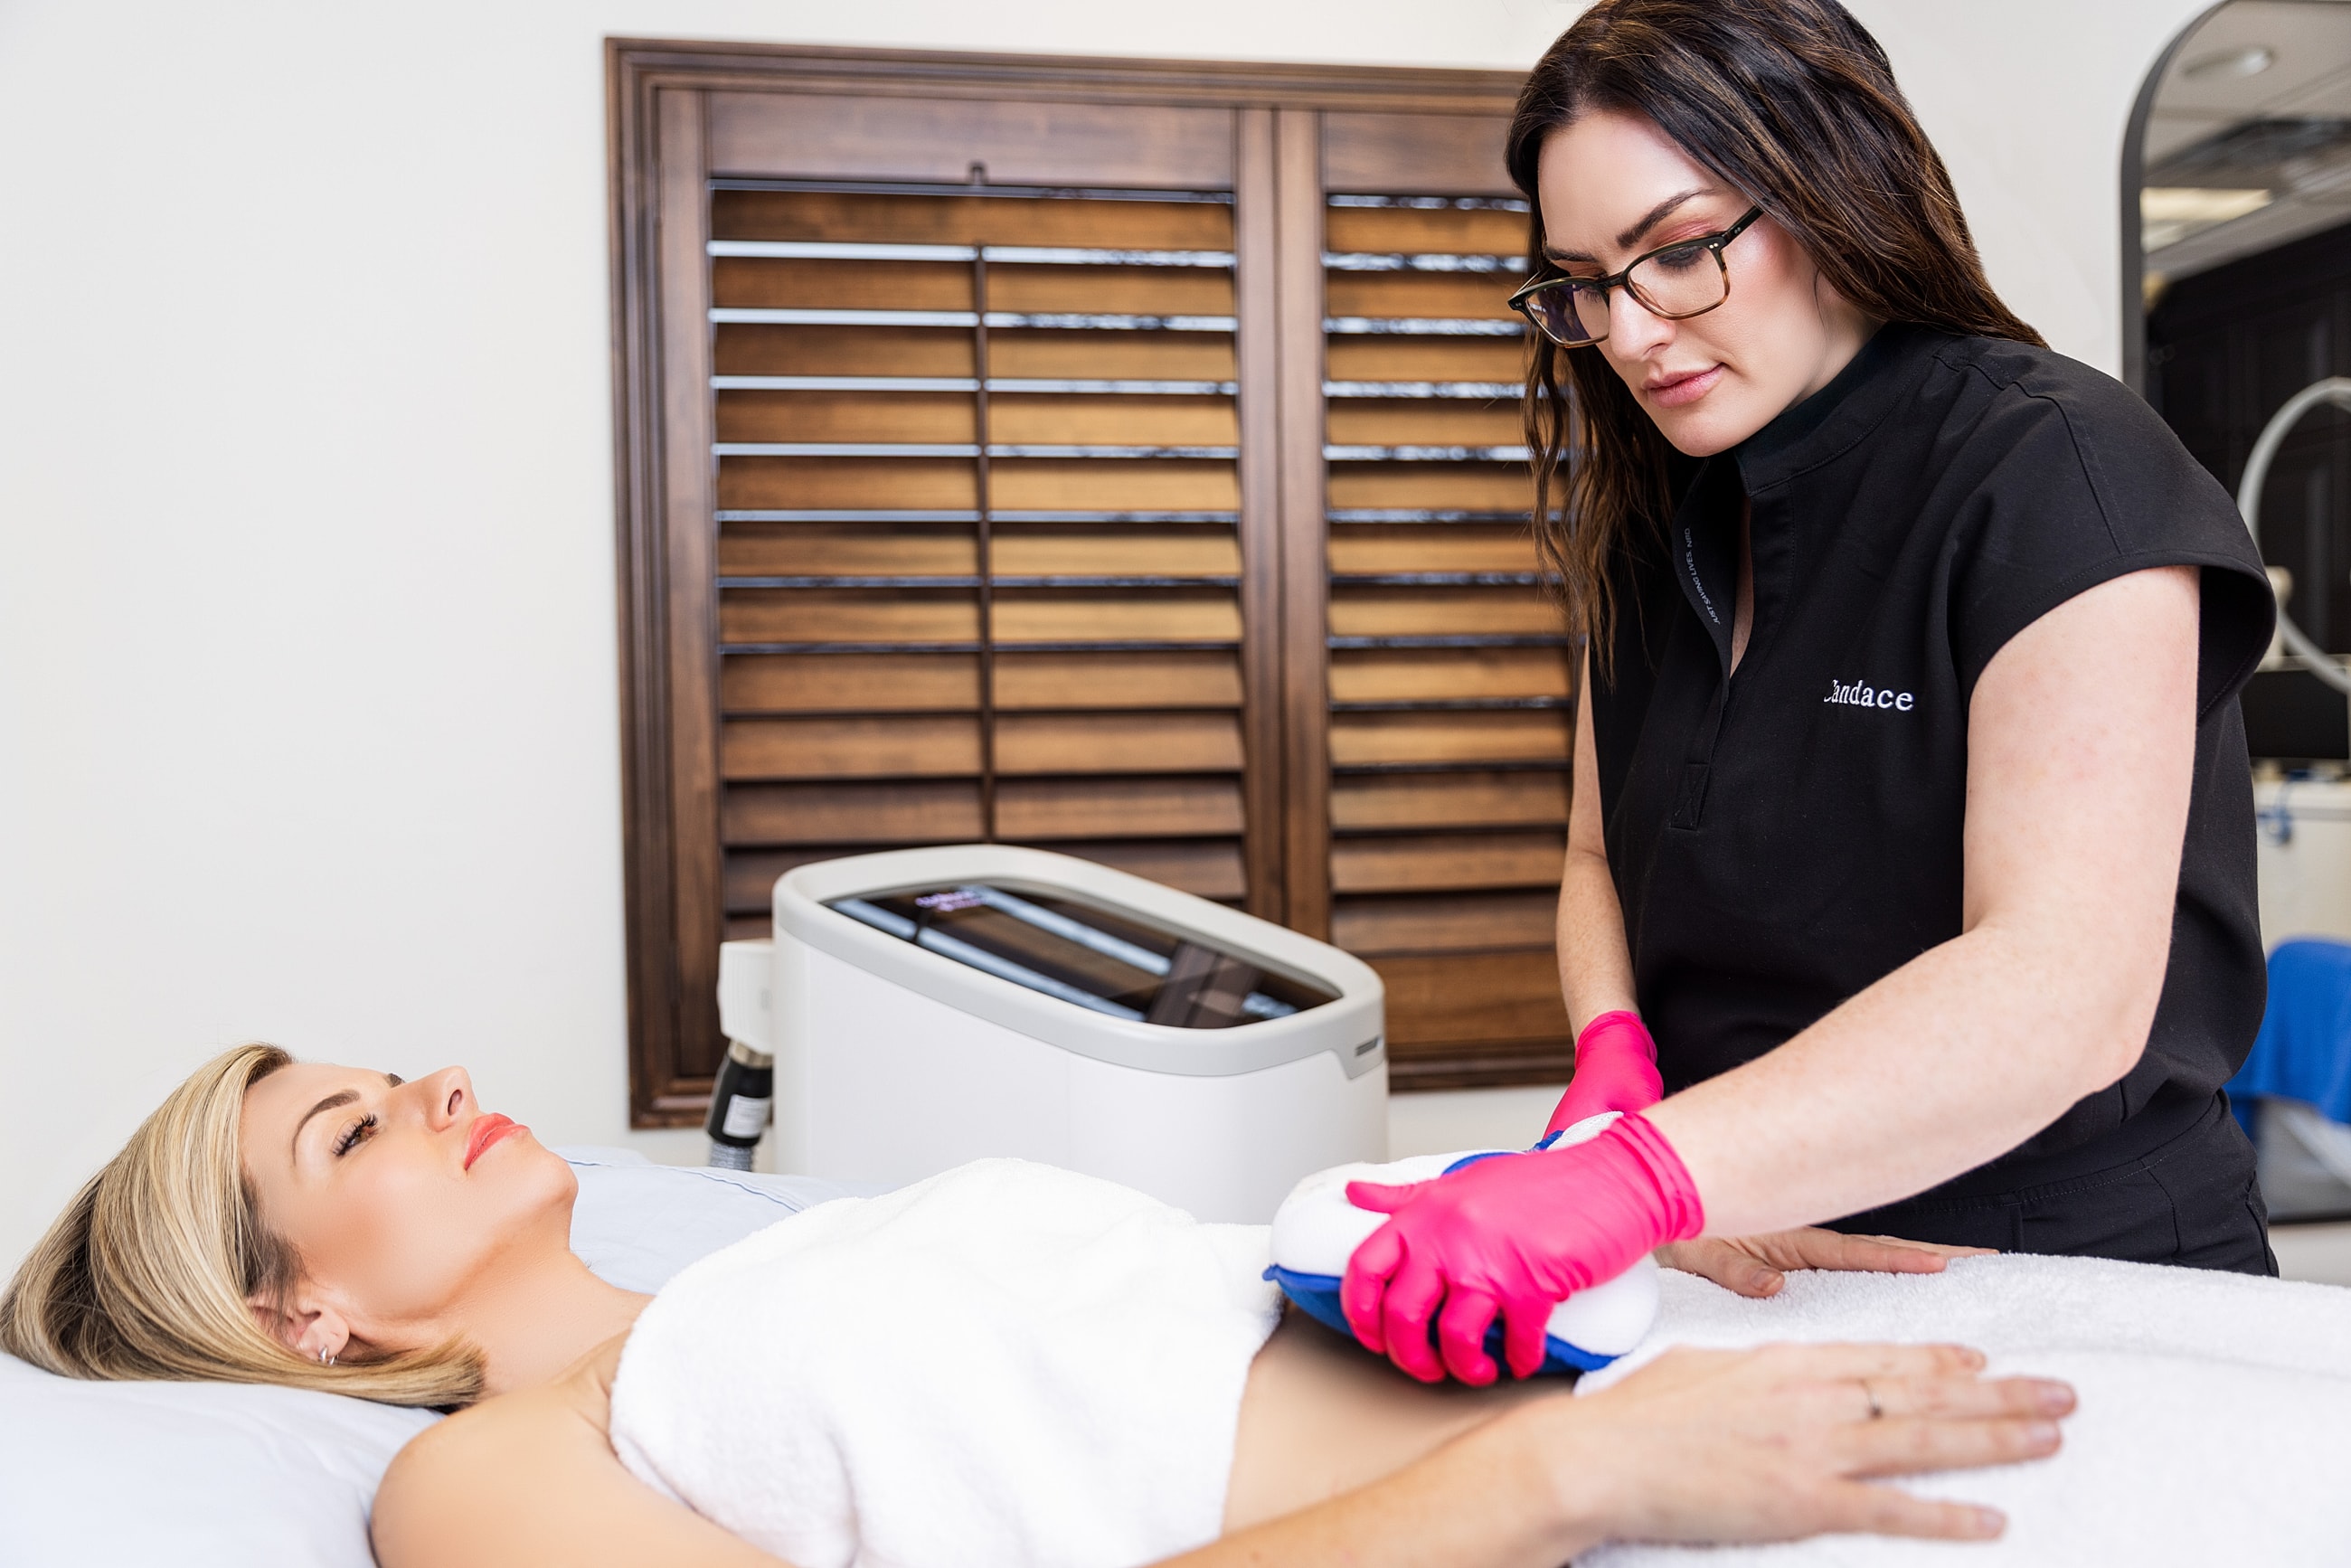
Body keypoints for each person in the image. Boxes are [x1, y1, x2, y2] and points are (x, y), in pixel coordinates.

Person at [1341, 0, 2280, 1391]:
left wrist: (1644, 1178)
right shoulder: (1667, 511)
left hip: (2065, 1273)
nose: (1632, 330)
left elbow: (2061, 991)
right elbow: (1602, 856)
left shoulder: (2061, 475)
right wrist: (1617, 1052)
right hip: (1747, 1259)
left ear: (1838, 189)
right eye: (1585, 282)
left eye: (1678, 251)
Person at [2, 1046, 2072, 1566]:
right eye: (357, 1132)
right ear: (302, 1325)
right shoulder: (482, 1477)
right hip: (1631, 1505)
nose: (438, 1087)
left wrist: (1595, 1234)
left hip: (1691, 1382)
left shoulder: (760, 1263)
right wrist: (1564, 1468)